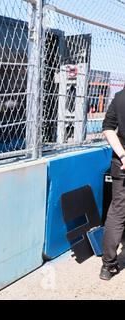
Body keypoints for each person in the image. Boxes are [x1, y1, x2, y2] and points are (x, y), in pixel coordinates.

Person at [101, 88, 125, 280]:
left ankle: (107, 266)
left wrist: (123, 154)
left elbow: (108, 128)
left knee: (117, 211)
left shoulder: (119, 97)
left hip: (121, 162)